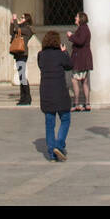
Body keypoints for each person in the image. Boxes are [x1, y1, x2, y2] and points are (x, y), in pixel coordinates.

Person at [37, 29, 73, 161]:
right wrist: (64, 52)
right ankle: (59, 144)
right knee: (65, 119)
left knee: (49, 123)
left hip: (46, 92)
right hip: (60, 91)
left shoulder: (41, 55)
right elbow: (69, 65)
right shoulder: (60, 54)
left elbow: (41, 66)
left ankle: (52, 153)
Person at [67, 11, 92, 112]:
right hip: (84, 59)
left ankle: (76, 103)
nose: (75, 18)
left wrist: (71, 36)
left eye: (77, 17)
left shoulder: (83, 29)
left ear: (81, 18)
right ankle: (87, 103)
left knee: (75, 81)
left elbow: (80, 41)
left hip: (80, 59)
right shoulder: (84, 28)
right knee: (84, 82)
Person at [9, 12, 33, 106]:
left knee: (22, 76)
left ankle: (27, 98)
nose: (21, 18)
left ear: (26, 19)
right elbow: (12, 32)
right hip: (18, 54)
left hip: (23, 54)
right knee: (21, 76)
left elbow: (18, 29)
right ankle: (23, 97)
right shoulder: (20, 28)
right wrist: (12, 23)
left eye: (22, 17)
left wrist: (15, 20)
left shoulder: (27, 29)